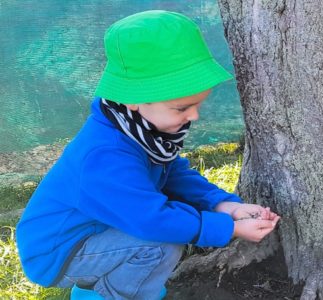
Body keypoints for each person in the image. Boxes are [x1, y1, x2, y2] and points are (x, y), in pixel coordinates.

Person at [15, 10, 280, 300]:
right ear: (133, 100)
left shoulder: (136, 129)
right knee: (159, 246)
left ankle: (105, 287)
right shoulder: (106, 154)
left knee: (160, 240)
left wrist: (224, 206)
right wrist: (228, 229)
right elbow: (150, 220)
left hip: (97, 230)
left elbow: (173, 173)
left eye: (197, 105)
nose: (194, 116)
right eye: (181, 108)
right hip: (60, 252)